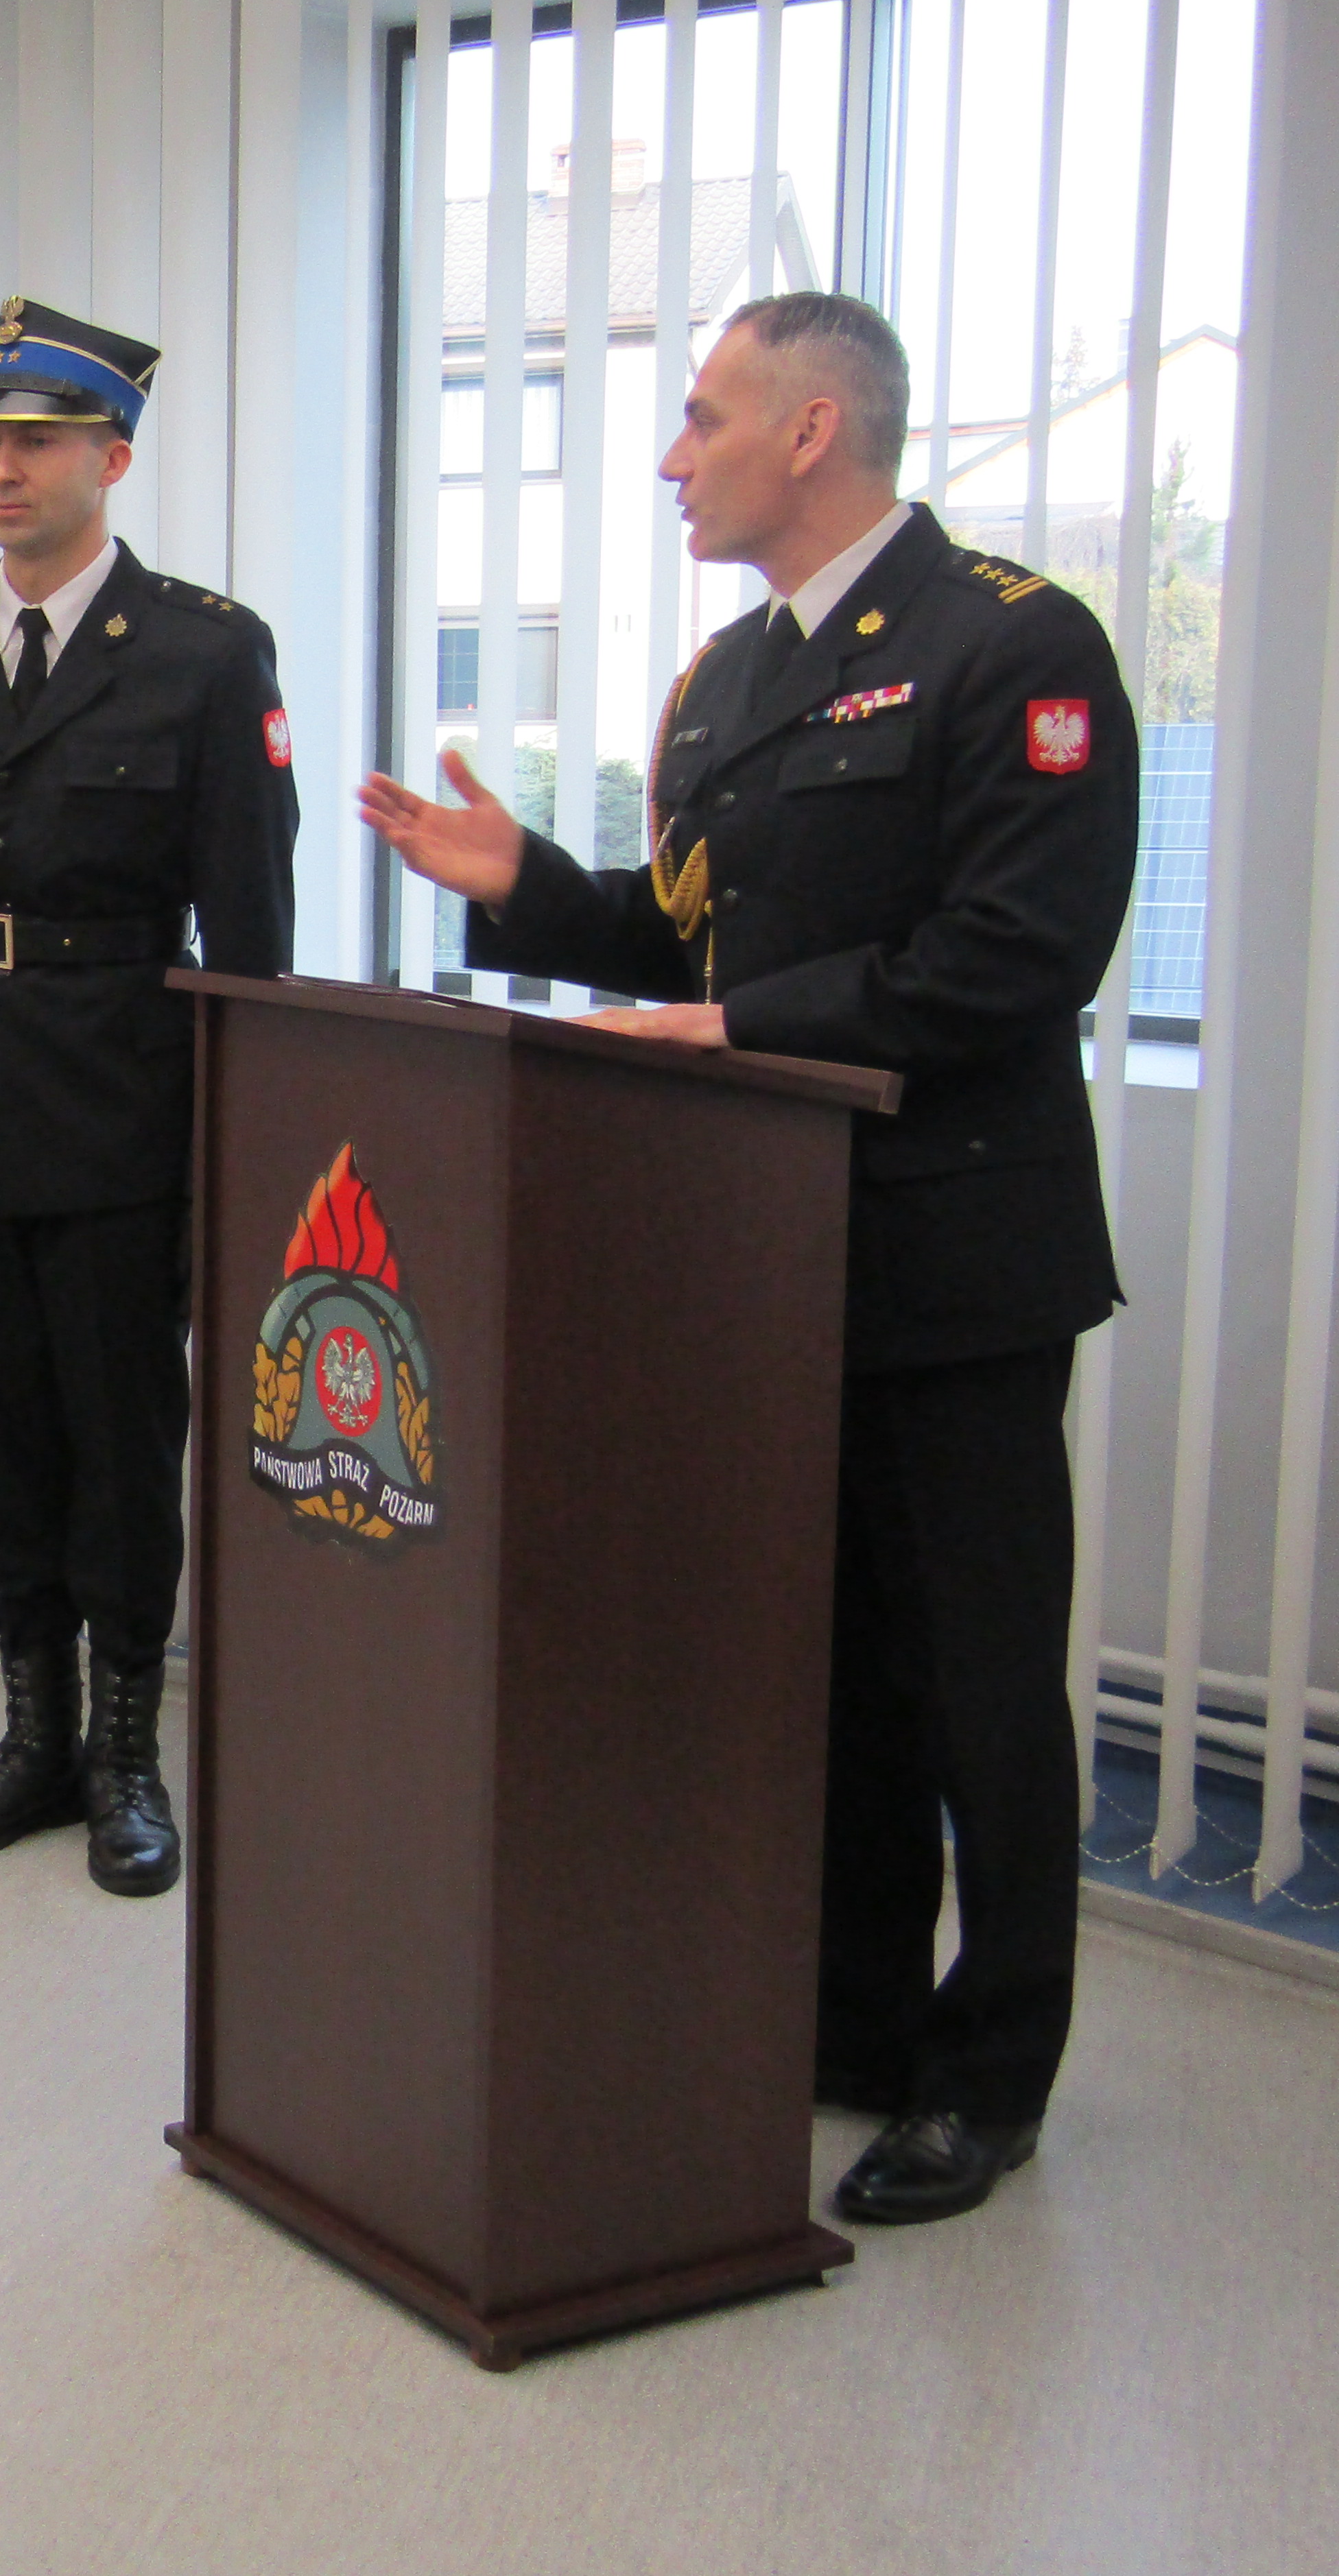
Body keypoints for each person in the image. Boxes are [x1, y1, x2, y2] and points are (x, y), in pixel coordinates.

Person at [360, 292, 1138, 2223]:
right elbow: (689, 941)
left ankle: (991, 2076)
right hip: (763, 1256)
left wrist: (737, 1026)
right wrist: (531, 890)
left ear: (811, 429)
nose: (668, 455)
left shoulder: (1012, 643)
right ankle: (852, 2020)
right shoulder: (725, 680)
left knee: (975, 1682)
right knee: (829, 1667)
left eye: (702, 416)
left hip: (953, 1259)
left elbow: (1017, 954)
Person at [0, 300, 300, 1896]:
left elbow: (249, 934)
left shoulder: (201, 653)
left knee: (122, 1452)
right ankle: (32, 1742)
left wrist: (229, 1165)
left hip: (127, 1120)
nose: (2, 470)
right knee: (9, 1446)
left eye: (36, 443)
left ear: (109, 460)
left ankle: (125, 1754)